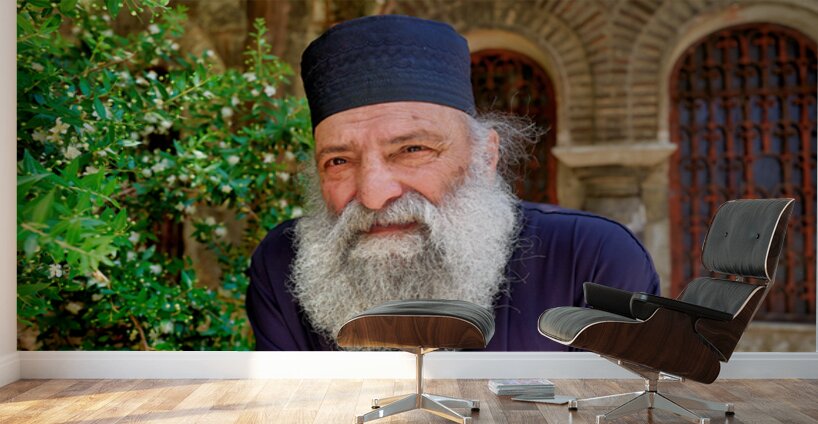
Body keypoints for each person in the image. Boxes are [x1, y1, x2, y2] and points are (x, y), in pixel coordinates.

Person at [246, 15, 659, 351]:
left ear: (484, 157)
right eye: (339, 160)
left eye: (411, 150)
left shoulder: (591, 259)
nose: (373, 195)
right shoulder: (282, 265)